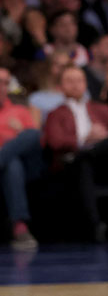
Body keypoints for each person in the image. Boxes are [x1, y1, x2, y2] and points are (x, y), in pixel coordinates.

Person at [42, 66, 108, 242]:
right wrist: (84, 140)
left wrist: (102, 139)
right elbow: (55, 141)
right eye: (69, 81)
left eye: (79, 80)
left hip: (105, 159)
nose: (75, 85)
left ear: (86, 84)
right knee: (83, 160)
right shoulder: (55, 114)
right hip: (74, 163)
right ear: (60, 86)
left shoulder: (102, 109)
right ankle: (95, 226)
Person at [0, 65, 40, 248]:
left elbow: (32, 140)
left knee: (32, 134)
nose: (2, 87)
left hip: (29, 166)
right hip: (10, 169)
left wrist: (20, 132)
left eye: (5, 83)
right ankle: (20, 227)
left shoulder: (20, 110)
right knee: (12, 165)